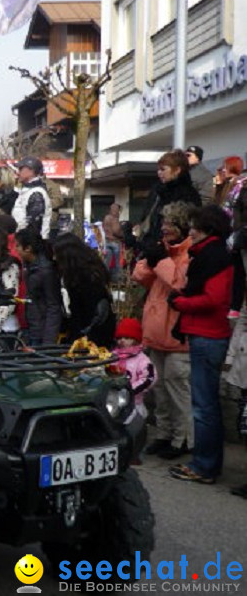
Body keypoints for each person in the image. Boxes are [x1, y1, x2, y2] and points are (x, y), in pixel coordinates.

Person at [168, 205, 234, 485]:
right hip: (204, 334)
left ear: (207, 228)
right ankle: (205, 463)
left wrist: (180, 302)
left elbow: (214, 300)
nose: (190, 231)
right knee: (204, 404)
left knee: (204, 406)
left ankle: (205, 466)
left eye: (194, 227)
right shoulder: (209, 254)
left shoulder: (215, 256)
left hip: (208, 335)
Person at [131, 202, 195, 460]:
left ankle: (184, 440)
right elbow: (140, 276)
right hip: (156, 333)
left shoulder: (190, 253)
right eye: (164, 224)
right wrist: (152, 258)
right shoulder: (165, 252)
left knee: (178, 390)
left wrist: (162, 261)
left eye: (171, 224)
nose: (166, 228)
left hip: (178, 337)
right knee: (159, 389)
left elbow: (181, 283)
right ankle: (164, 435)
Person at [53, 233, 116, 348]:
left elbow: (82, 313)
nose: (55, 258)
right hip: (96, 331)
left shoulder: (82, 279)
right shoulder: (91, 271)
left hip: (90, 335)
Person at [113, 318, 157, 464]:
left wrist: (131, 390)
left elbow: (149, 378)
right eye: (119, 338)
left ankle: (134, 453)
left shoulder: (142, 360)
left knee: (135, 428)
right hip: (115, 400)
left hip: (134, 401)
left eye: (126, 338)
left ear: (135, 339)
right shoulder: (113, 356)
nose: (122, 341)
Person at [140, 150, 202, 249]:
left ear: (177, 170)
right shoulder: (159, 191)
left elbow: (182, 227)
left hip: (174, 248)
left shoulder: (187, 194)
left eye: (163, 169)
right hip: (154, 246)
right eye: (158, 169)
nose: (159, 173)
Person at [15, 227, 62, 346]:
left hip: (42, 332)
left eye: (18, 246)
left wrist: (48, 342)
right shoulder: (30, 266)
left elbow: (54, 306)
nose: (16, 250)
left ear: (28, 248)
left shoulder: (46, 270)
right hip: (32, 328)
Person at [11, 156, 51, 239]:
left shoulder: (36, 193)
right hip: (25, 243)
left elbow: (34, 226)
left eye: (21, 169)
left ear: (31, 171)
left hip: (32, 245)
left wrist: (25, 242)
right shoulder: (27, 191)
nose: (18, 172)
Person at [103, 203, 125, 281]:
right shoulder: (114, 218)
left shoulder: (106, 218)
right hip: (115, 241)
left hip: (107, 241)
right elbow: (116, 231)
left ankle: (103, 277)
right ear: (115, 210)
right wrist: (122, 234)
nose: (119, 212)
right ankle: (117, 279)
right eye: (118, 210)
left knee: (107, 262)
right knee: (117, 262)